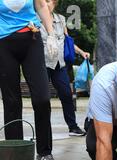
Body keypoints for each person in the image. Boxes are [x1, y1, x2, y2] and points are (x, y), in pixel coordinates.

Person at [0, 0, 60, 160]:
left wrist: (51, 35)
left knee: (42, 98)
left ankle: (44, 152)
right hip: (3, 43)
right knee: (11, 102)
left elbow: (41, 6)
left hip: (31, 38)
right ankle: (15, 153)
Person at [41, 0, 89, 137]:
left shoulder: (61, 20)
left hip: (59, 64)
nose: (45, 4)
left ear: (54, 3)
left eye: (48, 1)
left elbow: (67, 41)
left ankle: (73, 127)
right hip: (42, 64)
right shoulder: (36, 19)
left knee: (66, 94)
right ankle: (44, 129)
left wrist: (81, 52)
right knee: (43, 99)